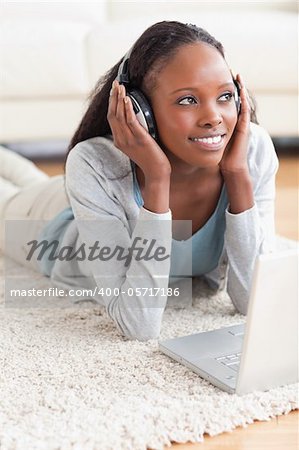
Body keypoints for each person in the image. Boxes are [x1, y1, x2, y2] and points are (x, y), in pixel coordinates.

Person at [0, 21, 278, 340]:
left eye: (225, 96)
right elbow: (138, 325)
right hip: (56, 227)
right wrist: (158, 181)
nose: (214, 117)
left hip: (92, 198)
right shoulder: (94, 163)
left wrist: (238, 176)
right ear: (138, 109)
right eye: (187, 100)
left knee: (27, 179)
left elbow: (253, 302)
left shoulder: (250, 150)